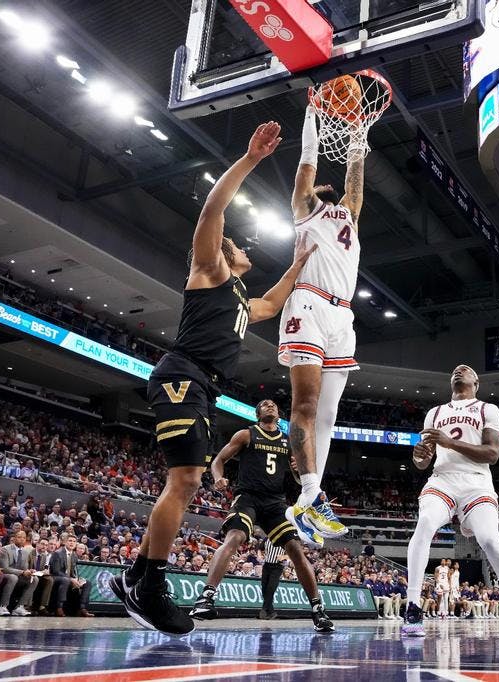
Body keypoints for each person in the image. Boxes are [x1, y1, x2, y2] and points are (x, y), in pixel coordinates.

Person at [113, 122, 316, 636]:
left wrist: (301, 262)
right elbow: (212, 211)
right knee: (185, 479)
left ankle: (136, 576)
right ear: (225, 254)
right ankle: (151, 584)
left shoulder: (244, 301)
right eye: (237, 243)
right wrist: (250, 159)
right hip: (182, 374)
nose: (243, 245)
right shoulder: (208, 271)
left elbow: (271, 302)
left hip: (202, 385)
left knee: (185, 480)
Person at [282, 101, 372, 546]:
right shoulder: (305, 209)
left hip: (343, 315)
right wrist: (312, 114)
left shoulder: (349, 218)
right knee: (306, 405)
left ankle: (311, 499)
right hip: (309, 305)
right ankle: (308, 494)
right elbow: (304, 166)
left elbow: (355, 186)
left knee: (330, 414)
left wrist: (358, 134)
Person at [401, 365, 499, 636]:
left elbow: (492, 454)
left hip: (476, 482)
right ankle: (412, 606)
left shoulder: (487, 409)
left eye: (465, 370)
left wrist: (449, 442)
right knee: (424, 525)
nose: (458, 371)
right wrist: (419, 455)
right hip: (442, 479)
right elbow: (423, 462)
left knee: (489, 539)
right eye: (454, 370)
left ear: (476, 382)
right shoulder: (434, 412)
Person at [189, 400, 334, 632]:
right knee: (235, 537)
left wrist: (298, 472)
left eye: (273, 404)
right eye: (264, 404)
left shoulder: (288, 442)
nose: (270, 405)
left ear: (278, 414)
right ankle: (206, 598)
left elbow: (298, 480)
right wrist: (218, 478)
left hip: (275, 503)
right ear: (258, 414)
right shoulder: (246, 434)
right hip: (248, 497)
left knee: (295, 548)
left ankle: (318, 610)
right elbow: (218, 460)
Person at [0, 529, 38, 616]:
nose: (22, 539)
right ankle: (2, 606)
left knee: (34, 579)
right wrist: (23, 572)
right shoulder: (5, 549)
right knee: (13, 577)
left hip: (18, 576)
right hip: (4, 576)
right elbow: (4, 568)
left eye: (24, 538)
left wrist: (29, 571)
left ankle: (19, 607)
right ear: (14, 538)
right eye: (19, 537)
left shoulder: (26, 552)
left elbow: (25, 569)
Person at [49, 535, 93, 617]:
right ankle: (59, 607)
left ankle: (82, 608)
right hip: (56, 578)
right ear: (65, 542)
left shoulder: (74, 555)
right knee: (66, 580)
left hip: (68, 578)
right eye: (70, 541)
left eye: (74, 541)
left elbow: (73, 572)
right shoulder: (57, 553)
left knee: (87, 583)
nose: (72, 543)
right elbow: (56, 571)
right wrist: (71, 579)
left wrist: (77, 579)